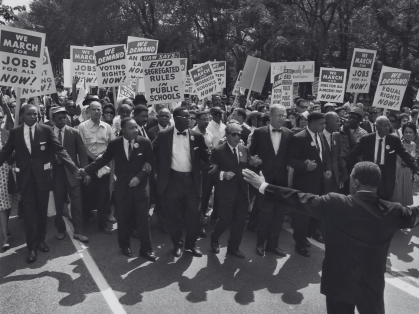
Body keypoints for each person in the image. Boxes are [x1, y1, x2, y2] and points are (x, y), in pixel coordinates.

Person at [243, 162, 419, 314]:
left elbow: (298, 199)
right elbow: (414, 215)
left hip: (338, 282)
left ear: (355, 182)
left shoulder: (335, 203)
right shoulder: (393, 211)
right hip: (371, 284)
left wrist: (264, 186)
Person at [0, 104, 79, 263]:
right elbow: (5, 152)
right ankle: (31, 247)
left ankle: (41, 240)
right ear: (22, 115)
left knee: (42, 211)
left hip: (43, 179)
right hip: (25, 179)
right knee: (30, 213)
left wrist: (74, 168)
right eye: (29, 114)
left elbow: (60, 150)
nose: (33, 117)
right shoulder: (15, 133)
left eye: (36, 114)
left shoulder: (46, 130)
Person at [81, 118, 156, 261]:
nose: (135, 130)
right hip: (122, 189)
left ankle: (146, 250)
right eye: (131, 128)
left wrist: (139, 177)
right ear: (122, 129)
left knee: (143, 220)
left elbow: (151, 161)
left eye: (136, 127)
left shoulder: (145, 142)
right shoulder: (115, 144)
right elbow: (103, 160)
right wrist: (86, 171)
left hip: (140, 189)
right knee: (123, 219)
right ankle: (125, 246)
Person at [152, 107, 212, 257]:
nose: (189, 120)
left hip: (191, 182)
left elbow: (206, 155)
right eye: (186, 117)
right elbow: (152, 153)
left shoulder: (197, 136)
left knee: (193, 216)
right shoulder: (164, 135)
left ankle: (191, 245)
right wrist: (152, 169)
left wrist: (215, 164)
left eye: (190, 118)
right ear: (176, 118)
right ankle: (177, 244)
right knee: (174, 217)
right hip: (172, 182)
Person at [248, 104, 293, 257]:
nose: (283, 118)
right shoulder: (260, 133)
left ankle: (273, 245)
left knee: (279, 214)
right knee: (266, 213)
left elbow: (291, 157)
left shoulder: (289, 133)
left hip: (281, 180)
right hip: (264, 179)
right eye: (279, 115)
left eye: (284, 115)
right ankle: (260, 244)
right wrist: (252, 161)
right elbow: (251, 152)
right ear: (271, 116)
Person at [210, 122, 257, 258]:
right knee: (225, 219)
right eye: (234, 134)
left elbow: (246, 167)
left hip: (242, 191)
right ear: (227, 135)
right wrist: (222, 174)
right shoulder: (218, 150)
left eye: (239, 134)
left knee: (240, 221)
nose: (237, 137)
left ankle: (234, 248)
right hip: (225, 192)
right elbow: (211, 170)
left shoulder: (244, 149)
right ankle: (214, 238)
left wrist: (253, 164)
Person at [287, 112, 331, 257]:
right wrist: (305, 166)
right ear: (312, 124)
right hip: (304, 184)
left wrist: (327, 169)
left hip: (320, 184)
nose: (324, 126)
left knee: (318, 214)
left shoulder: (321, 136)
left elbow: (325, 156)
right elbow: (291, 160)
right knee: (303, 216)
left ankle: (306, 236)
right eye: (321, 123)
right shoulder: (298, 138)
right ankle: (300, 243)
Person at [347, 116, 419, 201]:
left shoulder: (394, 140)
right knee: (368, 200)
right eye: (384, 126)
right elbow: (353, 155)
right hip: (369, 173)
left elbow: (405, 155)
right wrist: (346, 170)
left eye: (388, 125)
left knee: (384, 200)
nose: (387, 127)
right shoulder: (366, 139)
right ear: (376, 126)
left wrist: (416, 169)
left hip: (386, 176)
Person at [51, 107, 89, 243]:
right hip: (56, 172)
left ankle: (79, 232)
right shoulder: (48, 133)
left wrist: (85, 171)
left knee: (77, 202)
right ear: (53, 119)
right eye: (59, 118)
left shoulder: (74, 132)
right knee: (59, 203)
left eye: (64, 117)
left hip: (73, 172)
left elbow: (82, 153)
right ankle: (60, 229)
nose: (63, 120)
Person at [78, 101, 113, 233]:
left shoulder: (107, 127)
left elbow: (110, 145)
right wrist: (95, 159)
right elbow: (81, 147)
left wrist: (103, 159)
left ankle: (102, 223)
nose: (97, 112)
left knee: (103, 195)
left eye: (99, 109)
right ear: (88, 112)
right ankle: (85, 219)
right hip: (89, 164)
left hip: (104, 165)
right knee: (87, 193)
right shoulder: (82, 127)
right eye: (94, 110)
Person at [391, 122, 418, 206]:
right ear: (402, 133)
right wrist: (396, 177)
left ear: (414, 134)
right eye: (406, 132)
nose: (408, 134)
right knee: (398, 195)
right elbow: (397, 161)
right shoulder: (400, 144)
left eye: (410, 132)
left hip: (408, 172)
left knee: (406, 196)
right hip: (399, 171)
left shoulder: (414, 145)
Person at [323, 112, 348, 193]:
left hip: (335, 176)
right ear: (329, 122)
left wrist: (344, 171)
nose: (339, 123)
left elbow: (339, 155)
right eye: (337, 121)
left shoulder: (336, 135)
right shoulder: (318, 136)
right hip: (322, 176)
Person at [0, 113, 14, 251]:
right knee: (2, 206)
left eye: (0, 117)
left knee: (7, 204)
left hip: (7, 172)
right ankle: (5, 237)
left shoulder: (7, 133)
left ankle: (6, 227)